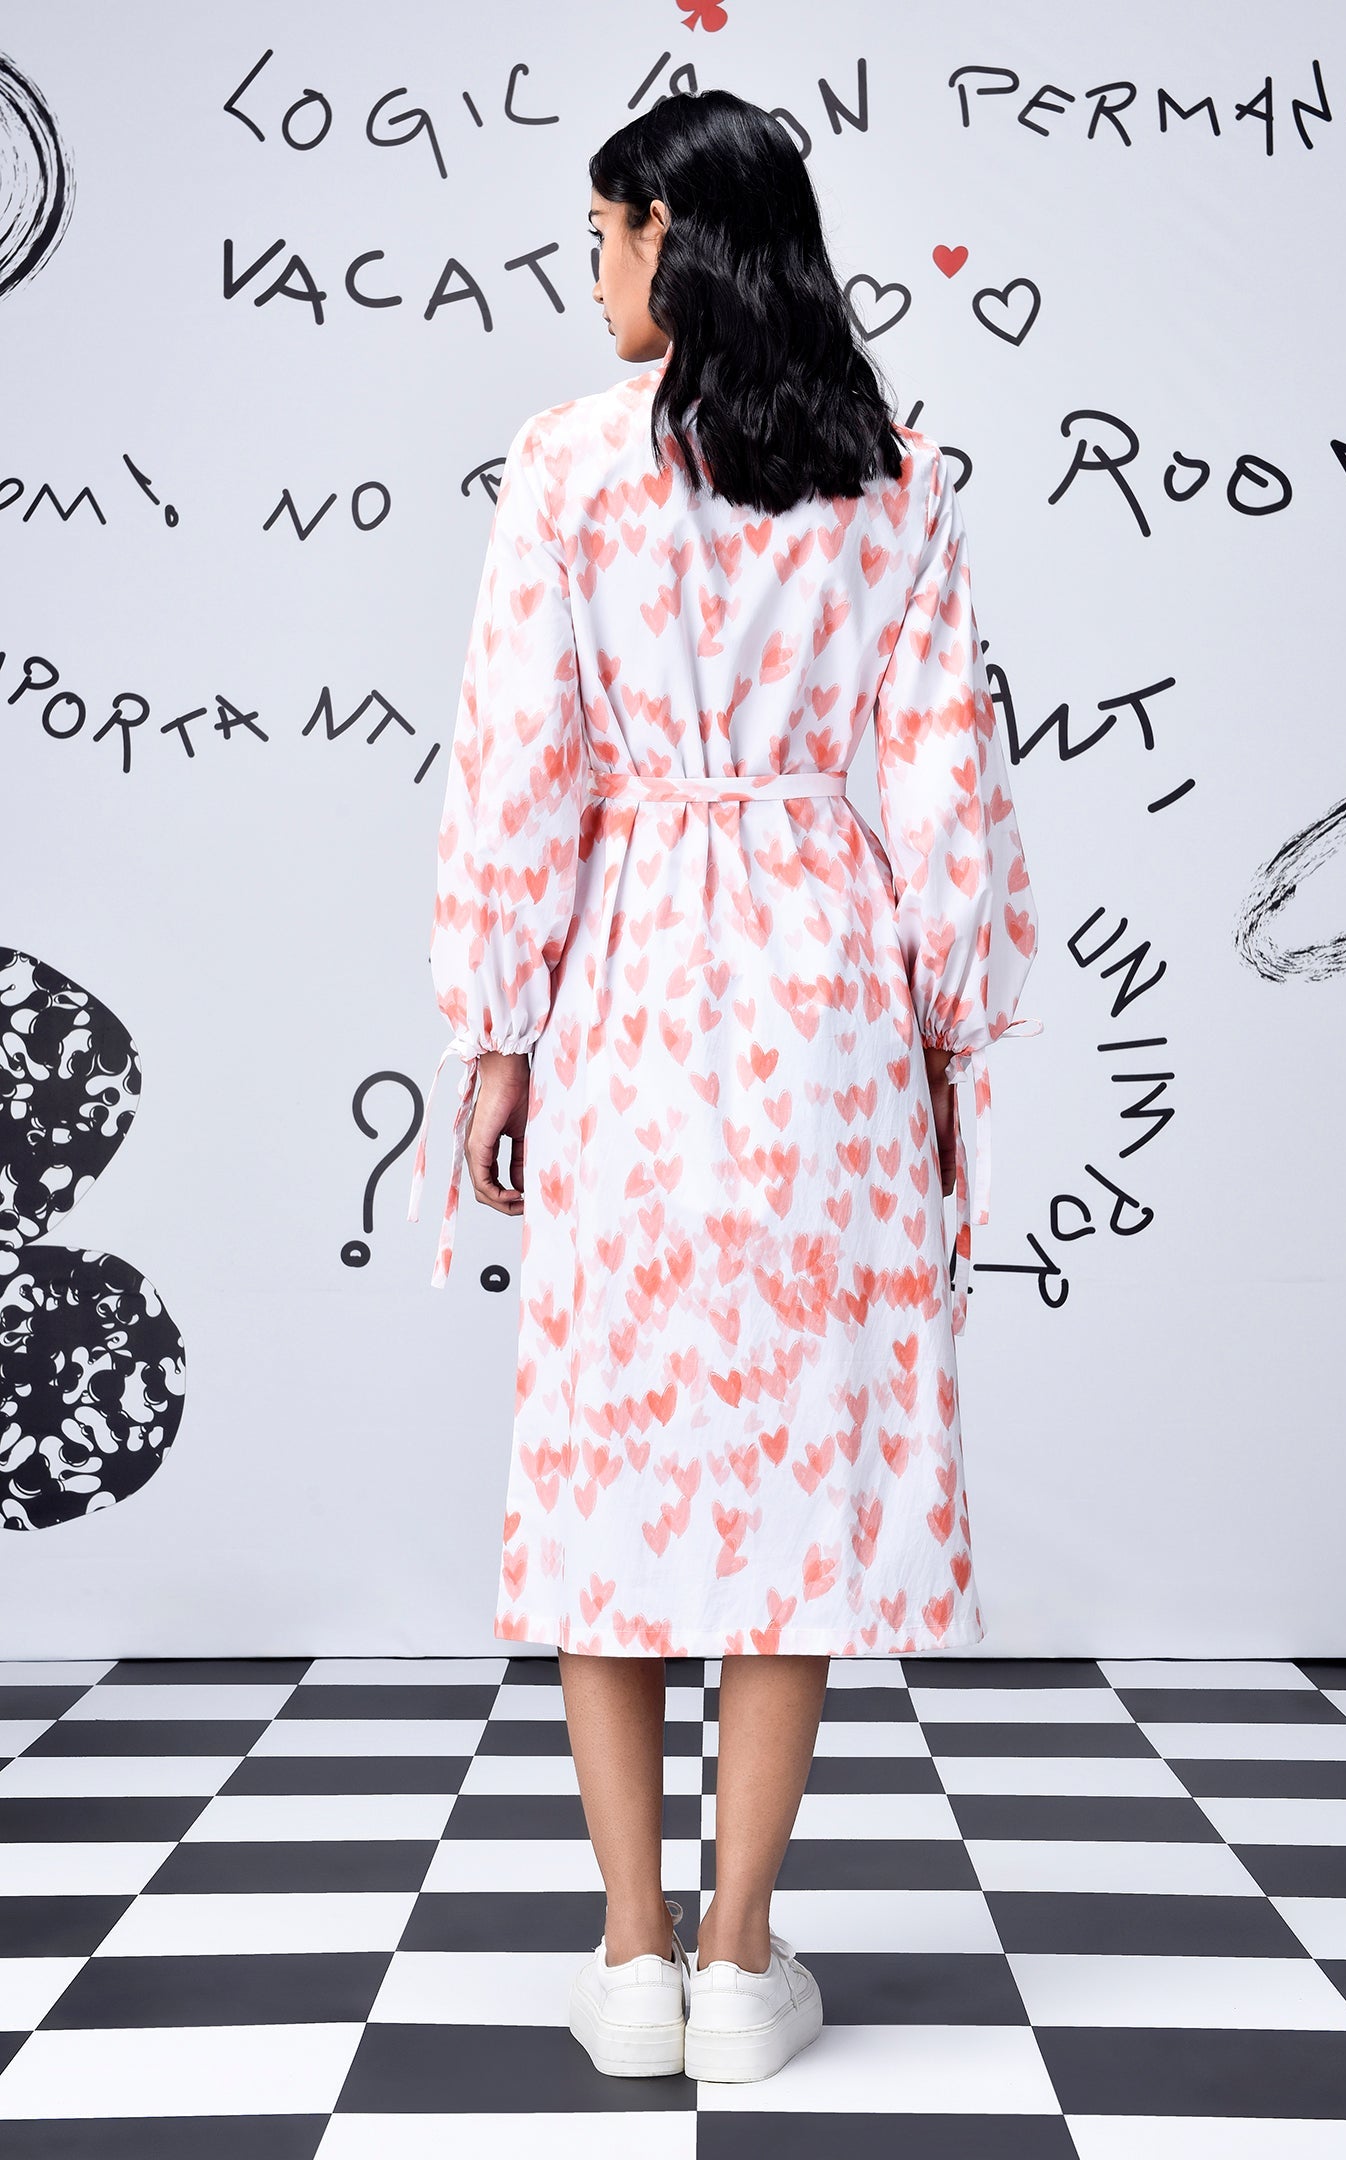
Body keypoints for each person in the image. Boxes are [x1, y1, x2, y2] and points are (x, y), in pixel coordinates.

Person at [408, 87, 1042, 2084]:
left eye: (605, 233)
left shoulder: (567, 465)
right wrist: (946, 1043)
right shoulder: (890, 473)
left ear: (673, 241)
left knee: (606, 1467)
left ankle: (632, 1960)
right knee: (795, 1486)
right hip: (829, 1002)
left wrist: (495, 1034)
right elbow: (946, 784)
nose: (592, 270)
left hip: (629, 995)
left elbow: (520, 765)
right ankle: (744, 1962)